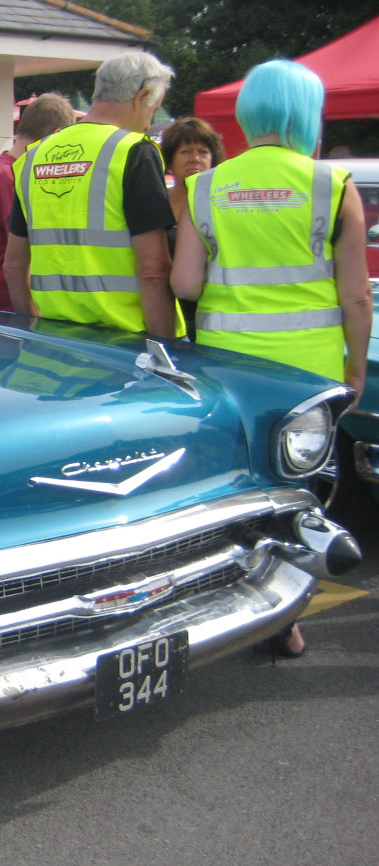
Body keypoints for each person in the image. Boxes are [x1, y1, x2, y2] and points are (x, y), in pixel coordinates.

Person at [170, 59, 373, 657]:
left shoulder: (206, 188)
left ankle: (224, 604)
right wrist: (353, 370)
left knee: (234, 489)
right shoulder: (331, 188)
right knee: (301, 495)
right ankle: (284, 618)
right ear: (305, 115)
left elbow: (184, 284)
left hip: (228, 370)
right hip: (306, 373)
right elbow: (357, 295)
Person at [3, 51, 183, 339]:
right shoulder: (134, 150)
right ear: (142, 96)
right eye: (153, 109)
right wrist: (165, 350)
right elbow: (153, 271)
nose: (149, 124)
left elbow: (13, 266)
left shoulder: (34, 157)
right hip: (123, 348)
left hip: (51, 345)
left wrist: (32, 328)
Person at [0, 93, 76, 310]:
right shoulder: (11, 179)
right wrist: (31, 321)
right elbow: (21, 260)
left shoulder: (2, 171)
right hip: (10, 315)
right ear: (56, 135)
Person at [160, 117, 224, 339]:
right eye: (186, 151)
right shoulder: (157, 204)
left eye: (203, 152)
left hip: (212, 318)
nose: (195, 159)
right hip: (167, 316)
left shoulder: (222, 205)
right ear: (170, 161)